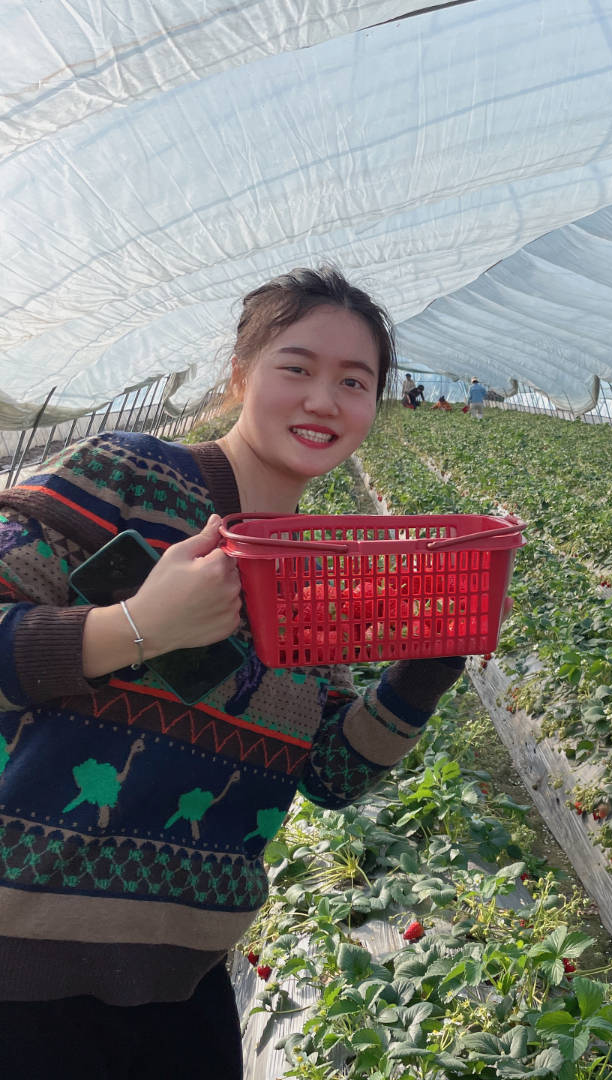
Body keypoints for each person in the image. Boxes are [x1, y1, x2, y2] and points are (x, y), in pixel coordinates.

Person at [0, 267, 467, 1079]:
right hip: (18, 975)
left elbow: (329, 770)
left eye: (353, 382)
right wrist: (136, 626)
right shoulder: (131, 477)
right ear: (240, 374)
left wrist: (423, 673)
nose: (323, 400)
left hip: (182, 984)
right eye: (298, 367)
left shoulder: (309, 575)